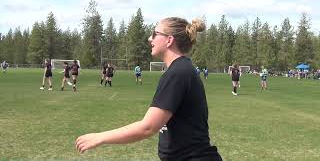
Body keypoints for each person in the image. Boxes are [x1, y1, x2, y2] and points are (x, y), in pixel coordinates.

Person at [75, 17, 222, 161]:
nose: (149, 39)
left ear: (169, 40)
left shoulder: (178, 73)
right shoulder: (180, 69)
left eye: (154, 34)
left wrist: (100, 137)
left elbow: (148, 127)